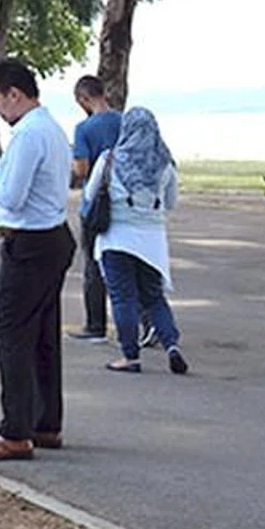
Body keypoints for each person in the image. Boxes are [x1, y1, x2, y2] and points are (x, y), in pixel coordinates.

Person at [0, 59, 74, 462]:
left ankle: (15, 432)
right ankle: (45, 422)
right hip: (52, 237)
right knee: (42, 336)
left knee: (11, 335)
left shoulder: (28, 134)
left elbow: (11, 197)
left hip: (30, 244)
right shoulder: (51, 129)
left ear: (15, 94)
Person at [91, 107, 189, 375]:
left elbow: (90, 194)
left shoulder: (109, 159)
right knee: (154, 297)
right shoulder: (165, 164)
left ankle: (130, 356)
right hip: (151, 241)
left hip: (116, 238)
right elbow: (171, 202)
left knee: (122, 297)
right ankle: (171, 344)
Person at [67, 75, 124, 341]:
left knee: (93, 264)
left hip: (96, 203)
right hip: (123, 200)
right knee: (128, 263)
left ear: (83, 99)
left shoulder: (84, 128)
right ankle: (146, 322)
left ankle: (96, 325)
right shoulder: (124, 122)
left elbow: (81, 169)